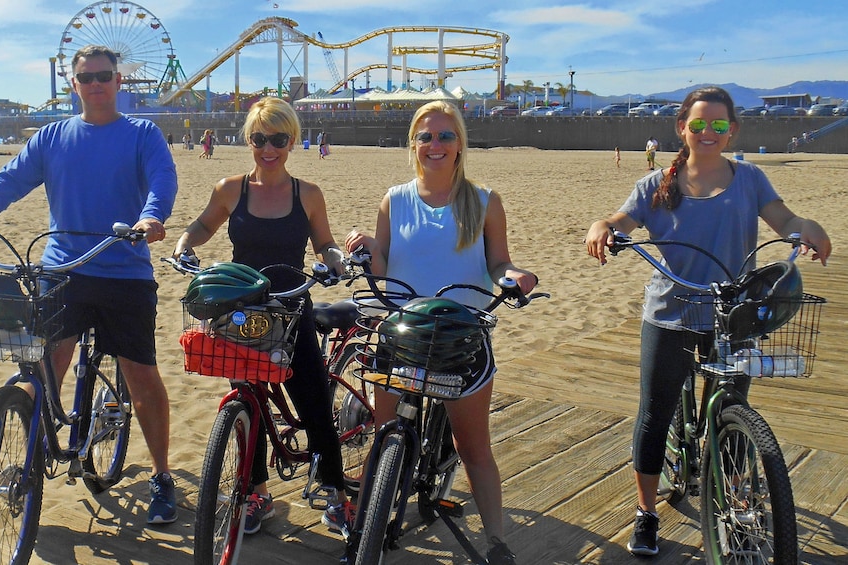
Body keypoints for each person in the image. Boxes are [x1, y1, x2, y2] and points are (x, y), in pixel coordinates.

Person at [584, 86, 831, 557]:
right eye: (699, 125)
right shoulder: (655, 185)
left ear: (732, 129)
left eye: (719, 125)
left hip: (732, 315)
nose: (709, 132)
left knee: (733, 407)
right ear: (683, 128)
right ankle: (646, 511)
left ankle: (736, 498)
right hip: (669, 314)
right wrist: (602, 228)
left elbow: (785, 220)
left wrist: (808, 231)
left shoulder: (750, 179)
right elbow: (620, 220)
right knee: (655, 414)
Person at [0, 44, 180, 526]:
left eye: (104, 75)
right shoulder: (52, 137)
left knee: (140, 375)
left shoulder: (142, 134)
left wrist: (151, 218)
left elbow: (162, 180)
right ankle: (30, 451)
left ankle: (161, 476)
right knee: (46, 361)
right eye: (86, 77)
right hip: (63, 269)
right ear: (73, 84)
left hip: (124, 271)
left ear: (119, 81)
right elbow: (11, 177)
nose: (95, 83)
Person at [344, 100, 536, 565]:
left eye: (445, 136)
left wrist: (515, 276)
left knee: (473, 448)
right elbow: (386, 269)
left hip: (460, 336)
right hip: (404, 331)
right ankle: (365, 529)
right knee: (385, 434)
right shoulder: (394, 199)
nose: (435, 144)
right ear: (414, 144)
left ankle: (496, 542)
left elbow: (498, 263)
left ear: (460, 144)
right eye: (426, 136)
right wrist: (369, 249)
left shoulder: (484, 201)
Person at [171, 97, 354, 536]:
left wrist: (333, 262)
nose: (267, 148)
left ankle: (336, 494)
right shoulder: (230, 188)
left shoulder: (306, 194)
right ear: (248, 139)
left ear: (292, 140)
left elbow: (324, 244)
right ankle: (256, 493)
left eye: (278, 139)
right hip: (241, 310)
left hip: (291, 309)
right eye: (259, 139)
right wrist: (183, 246)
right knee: (246, 403)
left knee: (312, 403)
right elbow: (201, 226)